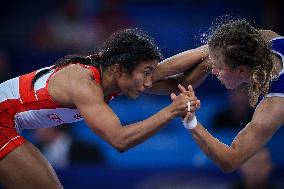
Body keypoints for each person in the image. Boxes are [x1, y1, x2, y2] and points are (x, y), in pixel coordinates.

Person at [0, 28, 206, 189]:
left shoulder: (115, 75)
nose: (149, 82)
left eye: (150, 73)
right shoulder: (83, 83)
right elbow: (119, 140)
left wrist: (210, 55)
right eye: (145, 72)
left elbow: (178, 82)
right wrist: (171, 111)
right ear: (120, 69)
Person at [182, 19, 284, 172]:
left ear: (242, 70)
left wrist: (191, 121)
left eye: (219, 67)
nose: (214, 71)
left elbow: (231, 160)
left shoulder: (275, 105)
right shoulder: (266, 41)